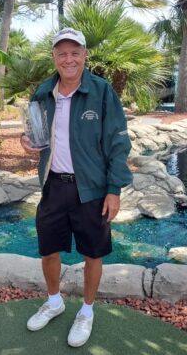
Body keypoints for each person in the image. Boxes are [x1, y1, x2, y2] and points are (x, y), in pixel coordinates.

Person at [20, 27, 132, 348]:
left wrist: (114, 189)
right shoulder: (43, 92)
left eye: (75, 52)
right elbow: (37, 136)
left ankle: (86, 311)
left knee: (92, 252)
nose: (68, 59)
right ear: (54, 57)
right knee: (48, 249)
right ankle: (54, 302)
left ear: (84, 55)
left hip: (92, 189)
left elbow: (118, 141)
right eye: (62, 53)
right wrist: (28, 143)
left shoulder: (101, 91)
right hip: (54, 186)